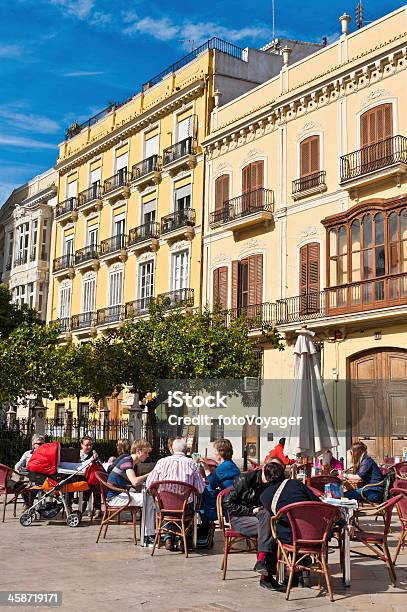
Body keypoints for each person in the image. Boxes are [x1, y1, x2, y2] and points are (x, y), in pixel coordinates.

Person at [224, 458, 285, 591]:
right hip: (241, 517)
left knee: (269, 524)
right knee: (271, 530)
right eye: (267, 478)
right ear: (263, 469)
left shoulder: (275, 480)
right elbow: (227, 503)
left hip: (262, 518)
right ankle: (266, 576)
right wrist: (250, 511)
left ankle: (262, 565)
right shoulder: (244, 479)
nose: (269, 482)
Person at [260, 462, 321, 589]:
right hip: (316, 536)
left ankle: (289, 571)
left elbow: (275, 516)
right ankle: (302, 566)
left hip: (290, 538)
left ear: (267, 477)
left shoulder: (265, 496)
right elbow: (317, 503)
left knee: (280, 529)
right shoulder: (296, 484)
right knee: (294, 525)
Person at [146, 437, 206, 551]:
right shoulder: (192, 464)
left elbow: (149, 484)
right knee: (190, 505)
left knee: (165, 505)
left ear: (172, 449)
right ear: (186, 450)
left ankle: (168, 537)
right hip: (184, 508)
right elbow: (200, 489)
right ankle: (183, 539)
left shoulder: (161, 462)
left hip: (164, 508)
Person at [107, 439, 155, 545]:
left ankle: (149, 533)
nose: (147, 456)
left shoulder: (130, 461)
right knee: (150, 501)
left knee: (150, 499)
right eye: (146, 452)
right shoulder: (127, 461)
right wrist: (151, 474)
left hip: (119, 494)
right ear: (138, 451)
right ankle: (148, 536)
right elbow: (134, 481)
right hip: (115, 498)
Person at [199, 439, 240, 522]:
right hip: (232, 496)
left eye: (215, 450)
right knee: (207, 492)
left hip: (228, 498)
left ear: (220, 452)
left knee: (201, 496)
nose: (214, 453)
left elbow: (213, 483)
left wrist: (205, 467)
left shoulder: (224, 467)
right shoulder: (229, 464)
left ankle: (205, 524)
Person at [14, 435, 45, 510]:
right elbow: (20, 462)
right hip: (28, 476)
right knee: (21, 485)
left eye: (42, 444)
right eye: (39, 444)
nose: (41, 446)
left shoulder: (46, 454)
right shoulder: (27, 453)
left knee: (35, 486)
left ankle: (28, 505)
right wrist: (16, 467)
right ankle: (28, 504)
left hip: (39, 477)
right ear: (33, 444)